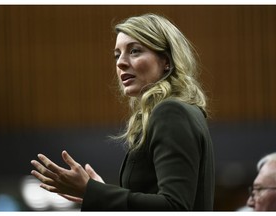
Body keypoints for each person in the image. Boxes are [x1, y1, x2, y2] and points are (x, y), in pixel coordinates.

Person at [31, 13, 215, 211]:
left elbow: (174, 207)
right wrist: (101, 192)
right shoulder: (179, 111)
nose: (120, 63)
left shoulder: (170, 112)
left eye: (134, 51)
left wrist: (91, 191)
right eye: (117, 55)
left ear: (166, 61)